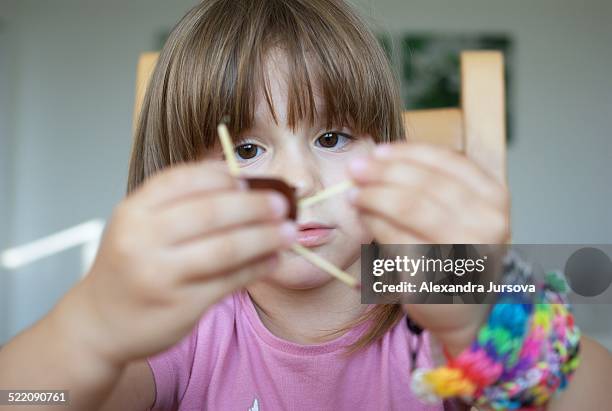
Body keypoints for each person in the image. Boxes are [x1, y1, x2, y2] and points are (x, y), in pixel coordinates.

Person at [1, 1, 610, 410]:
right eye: (245, 147)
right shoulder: (186, 322)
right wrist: (91, 330)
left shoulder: (425, 295)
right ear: (178, 182)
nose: (297, 178)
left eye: (331, 138)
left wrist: (476, 315)